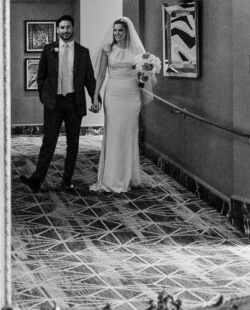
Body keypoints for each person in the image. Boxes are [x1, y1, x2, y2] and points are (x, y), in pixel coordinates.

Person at [19, 14, 98, 192]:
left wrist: (95, 98)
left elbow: (89, 79)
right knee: (48, 141)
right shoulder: (48, 50)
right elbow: (41, 77)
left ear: (73, 28)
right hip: (53, 103)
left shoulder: (83, 52)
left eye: (68, 27)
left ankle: (67, 181)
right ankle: (36, 180)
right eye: (62, 28)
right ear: (57, 30)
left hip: (74, 102)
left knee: (73, 143)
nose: (65, 30)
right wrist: (45, 97)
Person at [90, 16, 155, 194]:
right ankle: (111, 178)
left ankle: (130, 176)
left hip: (132, 95)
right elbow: (101, 75)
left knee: (129, 133)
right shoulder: (107, 49)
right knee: (114, 133)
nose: (117, 33)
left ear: (127, 33)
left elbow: (143, 77)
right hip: (113, 94)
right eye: (115, 30)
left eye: (120, 31)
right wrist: (95, 97)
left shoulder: (137, 52)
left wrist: (146, 73)